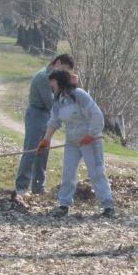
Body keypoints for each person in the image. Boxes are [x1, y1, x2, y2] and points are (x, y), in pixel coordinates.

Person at [36, 70, 115, 218]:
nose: (51, 87)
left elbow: (96, 115)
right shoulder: (58, 101)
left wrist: (91, 135)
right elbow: (54, 121)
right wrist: (46, 140)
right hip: (72, 142)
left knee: (96, 172)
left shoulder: (79, 95)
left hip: (90, 140)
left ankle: (108, 206)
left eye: (53, 84)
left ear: (59, 82)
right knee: (68, 172)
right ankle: (64, 205)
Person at [15, 54, 75, 199]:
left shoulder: (55, 78)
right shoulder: (43, 77)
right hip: (36, 114)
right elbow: (51, 103)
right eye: (65, 69)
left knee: (43, 151)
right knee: (31, 150)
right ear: (58, 63)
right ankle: (21, 187)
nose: (65, 74)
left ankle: (38, 186)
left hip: (46, 115)